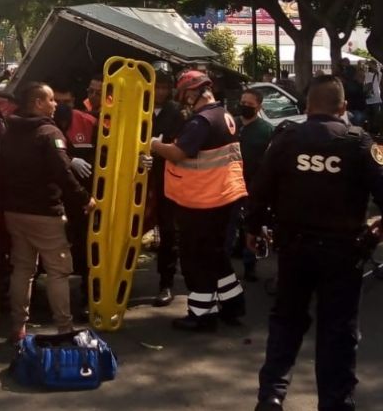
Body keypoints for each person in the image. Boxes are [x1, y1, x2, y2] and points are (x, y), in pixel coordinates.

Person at [247, 75, 383, 411]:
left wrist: (252, 229)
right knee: (338, 332)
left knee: (286, 323)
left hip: (294, 249)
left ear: (306, 107)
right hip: (344, 254)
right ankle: (335, 403)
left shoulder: (286, 139)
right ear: (344, 107)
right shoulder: (360, 142)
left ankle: (271, 397)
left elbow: (260, 190)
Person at [0, 83, 96, 342]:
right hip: (45, 212)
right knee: (58, 270)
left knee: (23, 269)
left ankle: (18, 328)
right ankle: (64, 327)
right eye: (51, 99)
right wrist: (85, 199)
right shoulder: (49, 132)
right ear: (38, 103)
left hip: (14, 211)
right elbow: (63, 172)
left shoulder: (9, 131)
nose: (56, 105)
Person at [150, 71, 248, 331]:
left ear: (193, 93)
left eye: (185, 98)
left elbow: (180, 153)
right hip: (225, 195)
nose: (185, 103)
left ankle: (202, 315)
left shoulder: (200, 122)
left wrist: (154, 145)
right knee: (216, 256)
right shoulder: (225, 116)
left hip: (203, 201)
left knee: (195, 258)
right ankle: (233, 303)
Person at [52, 86, 99, 320]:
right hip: (53, 201)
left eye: (65, 100)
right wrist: (70, 159)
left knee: (89, 248)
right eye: (55, 100)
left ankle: (90, 296)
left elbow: (107, 155)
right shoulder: (43, 125)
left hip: (84, 199)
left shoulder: (88, 123)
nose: (58, 105)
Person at [148, 70, 186, 307]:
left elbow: (181, 148)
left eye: (164, 87)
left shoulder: (179, 113)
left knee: (169, 232)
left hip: (167, 177)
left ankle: (166, 283)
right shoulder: (137, 108)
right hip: (138, 175)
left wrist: (160, 151)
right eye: (156, 87)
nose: (160, 92)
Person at [229, 89, 275, 282]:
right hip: (229, 183)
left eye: (249, 104)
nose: (245, 106)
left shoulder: (266, 129)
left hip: (253, 185)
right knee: (230, 224)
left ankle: (250, 266)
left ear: (259, 107)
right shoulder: (232, 125)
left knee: (251, 225)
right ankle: (228, 264)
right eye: (243, 102)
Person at [364, 61, 381, 133]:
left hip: (368, 98)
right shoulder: (378, 74)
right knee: (375, 117)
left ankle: (370, 131)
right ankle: (373, 131)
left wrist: (368, 63)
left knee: (370, 117)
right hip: (375, 98)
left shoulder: (365, 74)